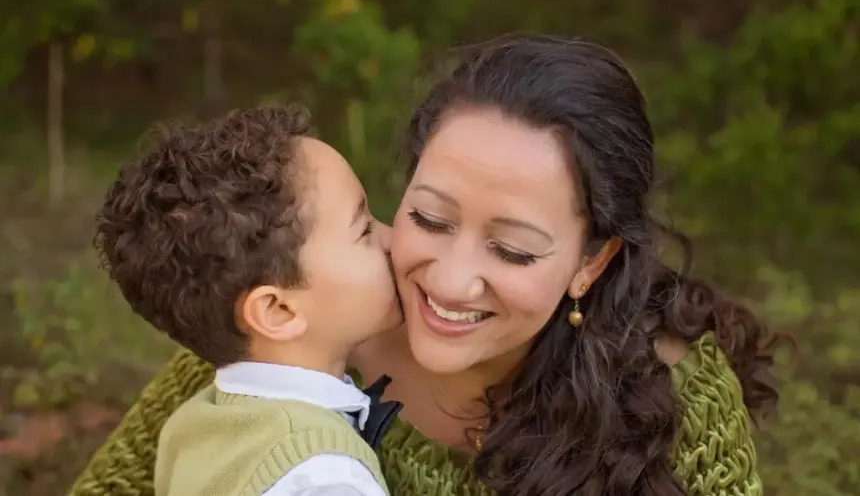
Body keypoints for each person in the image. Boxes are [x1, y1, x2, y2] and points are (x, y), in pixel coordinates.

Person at [71, 34, 787, 496]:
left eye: (511, 250)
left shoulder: (675, 394)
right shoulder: (291, 342)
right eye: (429, 218)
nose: (446, 280)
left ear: (590, 262)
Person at [92, 105, 404, 495]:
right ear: (277, 311)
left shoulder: (191, 427)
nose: (394, 239)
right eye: (365, 231)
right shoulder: (325, 479)